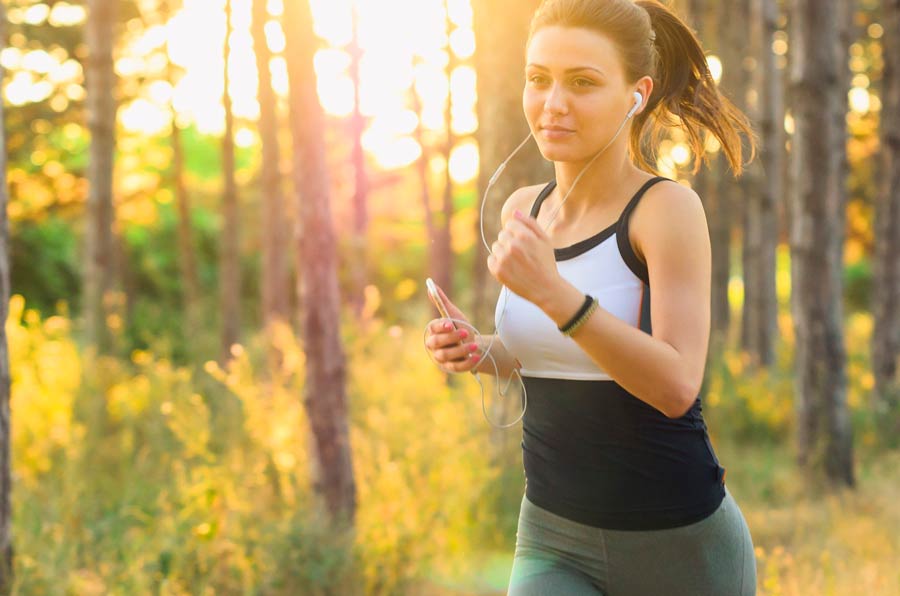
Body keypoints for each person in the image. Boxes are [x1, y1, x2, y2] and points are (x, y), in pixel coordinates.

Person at [424, 0, 758, 593]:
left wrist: (554, 294)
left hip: (677, 543)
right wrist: (481, 350)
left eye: (582, 82)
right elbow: (552, 352)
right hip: (552, 535)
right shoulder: (522, 208)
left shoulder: (664, 211)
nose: (553, 103)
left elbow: (677, 385)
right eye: (538, 79)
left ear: (637, 93)